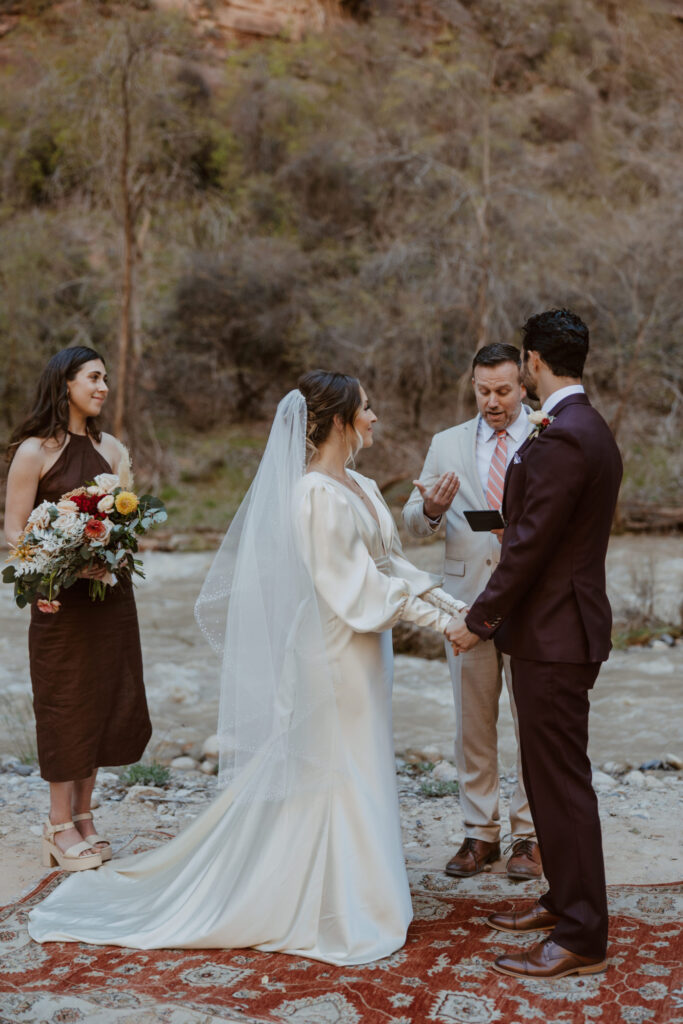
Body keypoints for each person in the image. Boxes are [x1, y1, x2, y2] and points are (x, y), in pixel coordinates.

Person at [27, 371, 466, 965]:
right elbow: (354, 590)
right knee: (339, 766)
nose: (375, 417)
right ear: (338, 421)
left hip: (370, 657)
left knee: (362, 764)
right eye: (367, 409)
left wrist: (461, 610)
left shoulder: (359, 485)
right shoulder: (313, 494)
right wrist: (445, 624)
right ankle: (330, 900)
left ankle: (360, 887)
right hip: (333, 655)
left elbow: (390, 568)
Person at [450, 310, 622, 980]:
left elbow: (526, 549)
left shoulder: (564, 437)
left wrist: (479, 619)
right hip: (558, 627)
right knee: (550, 780)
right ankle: (561, 900)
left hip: (555, 634)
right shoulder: (581, 426)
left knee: (561, 784)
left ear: (530, 362)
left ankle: (581, 932)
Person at [4, 347, 152, 873]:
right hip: (57, 603)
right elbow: (14, 531)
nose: (103, 386)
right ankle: (57, 825)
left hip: (109, 599)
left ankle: (86, 816)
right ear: (64, 383)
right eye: (93, 377)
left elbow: (125, 523)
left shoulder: (111, 448)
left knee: (106, 699)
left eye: (106, 378)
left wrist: (111, 554)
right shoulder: (34, 451)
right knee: (66, 702)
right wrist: (63, 562)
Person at [403, 343, 539, 880]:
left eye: (503, 390)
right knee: (472, 726)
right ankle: (479, 834)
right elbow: (412, 522)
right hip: (465, 604)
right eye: (483, 391)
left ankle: (529, 836)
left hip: (532, 602)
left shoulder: (546, 433)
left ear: (524, 385)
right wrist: (432, 508)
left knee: (533, 724)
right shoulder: (446, 443)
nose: (492, 401)